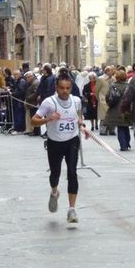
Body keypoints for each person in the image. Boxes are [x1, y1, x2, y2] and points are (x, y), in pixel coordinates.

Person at [31, 73, 89, 224]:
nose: (65, 91)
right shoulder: (49, 103)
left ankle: (72, 209)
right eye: (62, 88)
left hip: (72, 141)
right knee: (55, 173)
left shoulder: (76, 101)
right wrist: (48, 119)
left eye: (68, 88)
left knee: (72, 172)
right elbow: (34, 121)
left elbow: (79, 117)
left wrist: (82, 127)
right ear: (56, 88)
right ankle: (54, 192)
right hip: (54, 142)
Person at [105, 69, 132, 151]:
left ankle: (123, 145)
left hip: (116, 110)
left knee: (120, 128)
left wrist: (110, 104)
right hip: (127, 109)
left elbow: (108, 97)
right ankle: (127, 143)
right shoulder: (129, 86)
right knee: (126, 127)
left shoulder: (113, 86)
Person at [96, 66, 115, 135]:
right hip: (103, 99)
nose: (112, 72)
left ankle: (112, 130)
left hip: (112, 99)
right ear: (107, 71)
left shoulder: (113, 78)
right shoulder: (100, 79)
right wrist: (99, 98)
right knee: (103, 116)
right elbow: (97, 90)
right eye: (111, 71)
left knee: (112, 115)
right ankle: (103, 130)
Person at [24, 71, 41, 136]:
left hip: (34, 103)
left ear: (32, 77)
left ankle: (36, 132)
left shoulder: (35, 83)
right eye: (26, 77)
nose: (27, 79)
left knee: (35, 117)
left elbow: (35, 93)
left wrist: (28, 98)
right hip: (31, 103)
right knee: (32, 116)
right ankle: (35, 131)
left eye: (28, 77)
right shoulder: (32, 83)